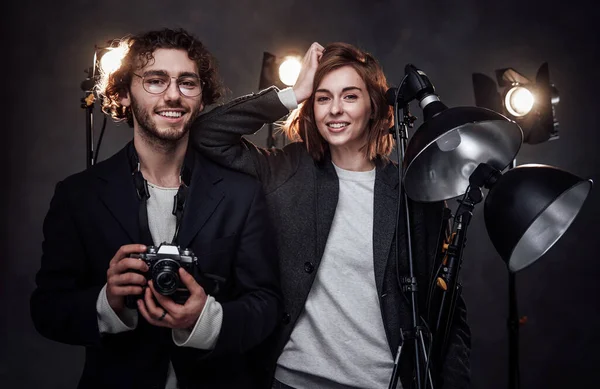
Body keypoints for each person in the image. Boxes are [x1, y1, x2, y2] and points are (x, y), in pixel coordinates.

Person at [190, 42, 471, 388]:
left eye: (350, 96)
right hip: (290, 381)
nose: (335, 110)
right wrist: (293, 93)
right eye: (323, 98)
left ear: (373, 107)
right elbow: (206, 134)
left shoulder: (413, 195)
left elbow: (448, 311)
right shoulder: (288, 169)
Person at [30, 28, 281, 389]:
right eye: (155, 81)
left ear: (201, 97)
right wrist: (108, 303)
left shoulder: (242, 193)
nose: (173, 96)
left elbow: (267, 304)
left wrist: (206, 320)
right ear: (123, 94)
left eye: (188, 83)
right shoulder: (77, 196)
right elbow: (47, 309)